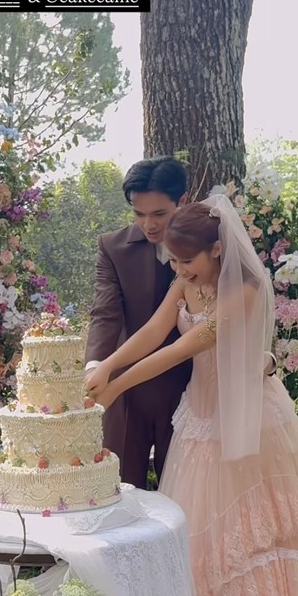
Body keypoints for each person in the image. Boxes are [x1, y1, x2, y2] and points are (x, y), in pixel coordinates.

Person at [86, 195, 298, 596]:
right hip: (200, 416)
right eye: (173, 263)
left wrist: (118, 387)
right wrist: (105, 366)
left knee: (247, 531)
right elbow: (156, 331)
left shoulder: (244, 289)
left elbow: (184, 346)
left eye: (187, 261)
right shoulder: (185, 280)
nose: (179, 271)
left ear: (217, 250)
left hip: (246, 419)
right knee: (196, 530)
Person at [85, 157, 192, 489]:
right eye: (138, 213)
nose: (149, 224)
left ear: (183, 201)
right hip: (126, 391)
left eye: (159, 213)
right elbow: (106, 314)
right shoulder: (112, 247)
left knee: (184, 499)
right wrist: (94, 366)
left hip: (190, 388)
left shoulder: (209, 246)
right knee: (120, 493)